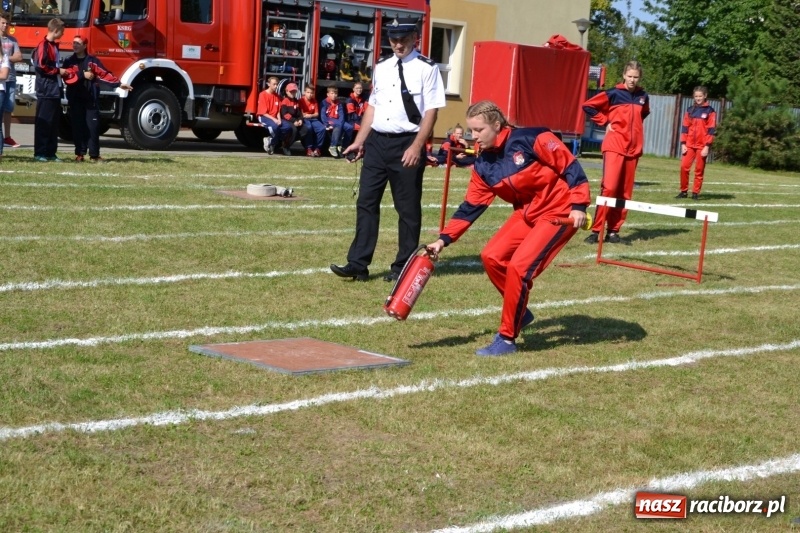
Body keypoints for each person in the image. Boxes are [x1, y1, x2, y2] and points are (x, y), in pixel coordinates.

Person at [426, 101, 591, 356]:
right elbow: (472, 205)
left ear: (496, 124)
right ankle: (520, 312)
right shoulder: (483, 162)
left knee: (519, 268)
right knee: (491, 256)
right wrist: (443, 240)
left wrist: (579, 205)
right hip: (527, 212)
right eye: (471, 131)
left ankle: (506, 338)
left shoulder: (532, 138)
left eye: (479, 130)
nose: (474, 136)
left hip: (559, 211)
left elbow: (569, 165)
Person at [331, 17, 446, 282]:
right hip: (377, 142)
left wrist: (417, 146)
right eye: (393, 39)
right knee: (366, 202)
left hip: (407, 143)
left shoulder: (427, 68)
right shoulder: (382, 67)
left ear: (415, 38)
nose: (398, 44)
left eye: (403, 39)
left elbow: (431, 112)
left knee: (407, 208)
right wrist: (360, 140)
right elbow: (373, 106)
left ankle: (403, 266)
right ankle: (357, 264)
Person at [582, 60, 649, 244]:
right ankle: (596, 230)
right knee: (609, 187)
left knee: (625, 193)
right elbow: (588, 106)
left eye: (636, 77)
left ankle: (613, 231)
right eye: (630, 76)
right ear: (624, 75)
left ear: (640, 77)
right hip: (614, 146)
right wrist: (605, 121)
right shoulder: (613, 93)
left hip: (633, 150)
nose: (632, 80)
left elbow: (643, 114)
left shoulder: (643, 96)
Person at [62, 35, 132, 162]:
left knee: (93, 127)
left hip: (90, 99)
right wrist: (83, 74)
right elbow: (67, 76)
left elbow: (104, 74)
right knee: (77, 127)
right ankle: (79, 154)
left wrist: (119, 84)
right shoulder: (69, 61)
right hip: (75, 99)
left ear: (84, 46)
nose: (75, 45)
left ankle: (94, 155)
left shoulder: (92, 61)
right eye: (74, 43)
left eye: (78, 43)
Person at [33, 18, 68, 163]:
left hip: (55, 89)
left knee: (54, 123)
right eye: (62, 32)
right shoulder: (43, 45)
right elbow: (41, 66)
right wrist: (58, 71)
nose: (63, 34)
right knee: (44, 122)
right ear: (56, 30)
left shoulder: (54, 46)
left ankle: (51, 152)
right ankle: (40, 152)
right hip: (46, 89)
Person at [677, 85, 716, 200]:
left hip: (702, 146)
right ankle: (683, 191)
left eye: (700, 96)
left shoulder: (710, 111)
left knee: (699, 170)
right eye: (696, 96)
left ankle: (695, 193)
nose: (698, 98)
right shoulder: (690, 110)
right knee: (684, 167)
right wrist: (683, 143)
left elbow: (711, 130)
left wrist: (707, 146)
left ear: (705, 96)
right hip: (689, 144)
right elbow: (685, 127)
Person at [0, 14, 22, 149]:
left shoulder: (12, 40)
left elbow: (19, 56)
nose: (5, 25)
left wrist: (5, 58)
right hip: (0, 79)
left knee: (8, 108)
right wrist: (9, 58)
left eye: (7, 23)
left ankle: (7, 137)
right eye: (2, 23)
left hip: (11, 78)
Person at [278, 82, 307, 156]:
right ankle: (286, 146)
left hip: (295, 120)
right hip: (287, 120)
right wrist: (294, 121)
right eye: (291, 91)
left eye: (294, 91)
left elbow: (300, 113)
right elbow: (284, 114)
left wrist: (300, 119)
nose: (293, 93)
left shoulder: (297, 102)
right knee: (294, 130)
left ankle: (288, 142)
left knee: (305, 130)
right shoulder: (285, 101)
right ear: (287, 91)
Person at [256, 76, 282, 155]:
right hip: (264, 117)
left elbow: (278, 111)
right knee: (275, 128)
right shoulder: (262, 94)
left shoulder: (277, 96)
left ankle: (270, 141)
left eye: (277, 84)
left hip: (274, 118)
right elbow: (263, 112)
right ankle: (271, 142)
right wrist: (274, 120)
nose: (276, 86)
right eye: (274, 84)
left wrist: (279, 119)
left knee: (286, 127)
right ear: (268, 84)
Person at [299, 83, 325, 157]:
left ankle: (317, 148)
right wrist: (306, 115)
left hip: (312, 118)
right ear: (304, 92)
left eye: (311, 93)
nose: (310, 95)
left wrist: (310, 115)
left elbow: (317, 114)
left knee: (322, 128)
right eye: (308, 92)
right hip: (304, 119)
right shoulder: (301, 100)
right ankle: (309, 148)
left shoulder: (314, 101)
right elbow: (301, 113)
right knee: (309, 127)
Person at [320, 85, 346, 158]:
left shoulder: (339, 103)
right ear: (328, 94)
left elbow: (341, 114)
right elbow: (323, 115)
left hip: (337, 120)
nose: (334, 95)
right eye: (332, 93)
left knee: (349, 127)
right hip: (329, 119)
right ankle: (333, 146)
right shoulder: (324, 102)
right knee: (338, 125)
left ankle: (343, 146)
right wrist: (326, 124)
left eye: (335, 93)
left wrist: (341, 122)